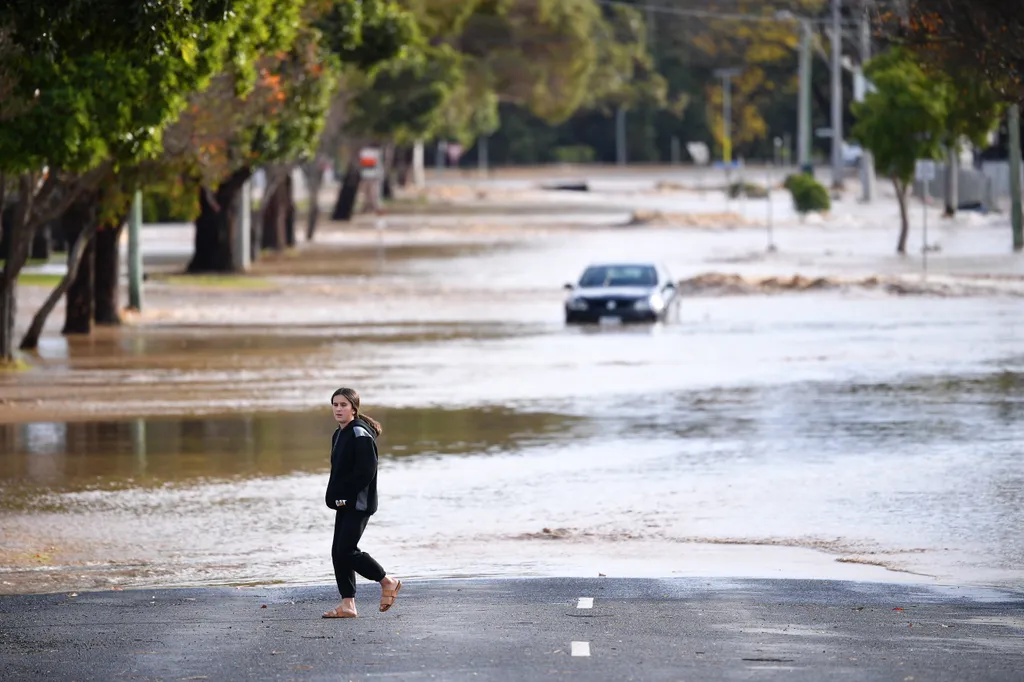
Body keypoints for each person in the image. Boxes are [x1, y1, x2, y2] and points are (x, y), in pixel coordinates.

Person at [322, 387, 401, 618]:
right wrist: (335, 496)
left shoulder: (359, 432)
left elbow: (366, 472)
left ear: (354, 409)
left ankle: (387, 581)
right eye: (335, 404)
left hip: (359, 502)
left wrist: (345, 496)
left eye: (343, 405)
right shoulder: (339, 433)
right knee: (338, 551)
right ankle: (348, 604)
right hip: (344, 502)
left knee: (347, 550)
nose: (338, 409)